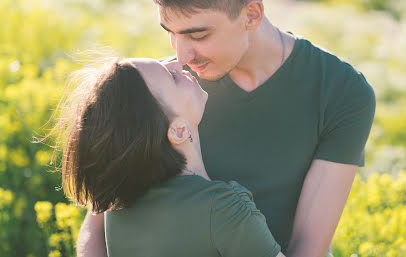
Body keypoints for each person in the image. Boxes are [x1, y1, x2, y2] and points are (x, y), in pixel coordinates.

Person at [77, 0, 376, 257]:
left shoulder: (341, 91)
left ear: (251, 15)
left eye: (198, 35)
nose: (180, 57)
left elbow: (307, 248)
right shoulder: (166, 94)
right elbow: (102, 217)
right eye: (171, 31)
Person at [55, 57, 285, 257]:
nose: (178, 63)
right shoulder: (224, 208)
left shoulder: (116, 208)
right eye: (172, 77)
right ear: (178, 131)